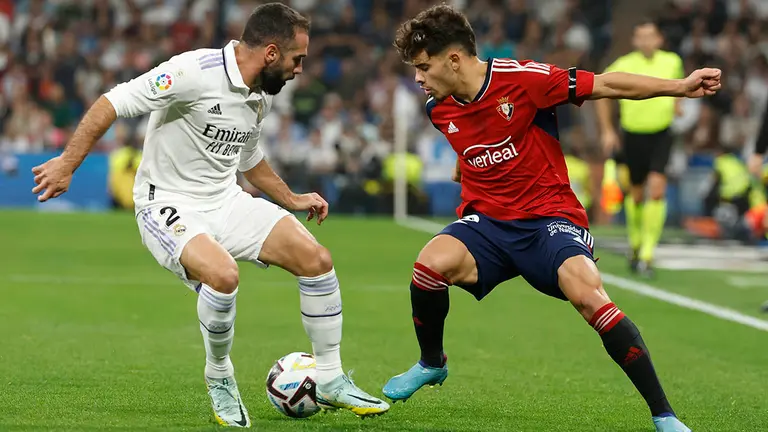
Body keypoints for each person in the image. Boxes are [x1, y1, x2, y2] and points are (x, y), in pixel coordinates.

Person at [30, 3, 389, 426]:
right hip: (166, 202)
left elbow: (248, 159)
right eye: (298, 59)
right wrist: (68, 163)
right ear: (271, 53)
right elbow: (113, 101)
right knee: (223, 276)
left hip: (225, 200)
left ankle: (329, 378)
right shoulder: (192, 72)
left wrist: (290, 198)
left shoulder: (260, 95)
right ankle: (219, 375)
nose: (299, 69)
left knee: (318, 261)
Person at [382, 5, 721, 432]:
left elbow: (607, 84)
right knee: (429, 265)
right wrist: (464, 165)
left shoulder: (524, 78)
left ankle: (664, 414)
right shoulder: (439, 109)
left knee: (588, 295)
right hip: (489, 224)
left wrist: (680, 87)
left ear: (453, 59)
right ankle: (432, 363)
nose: (418, 78)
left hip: (549, 218)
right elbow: (469, 144)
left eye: (423, 67)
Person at [596, 19, 685, 278]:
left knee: (656, 190)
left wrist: (678, 104)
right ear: (635, 41)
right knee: (635, 194)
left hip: (661, 134)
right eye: (641, 36)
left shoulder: (672, 61)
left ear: (659, 39)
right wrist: (607, 130)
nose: (646, 41)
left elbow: (678, 86)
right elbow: (599, 90)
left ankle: (647, 253)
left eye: (650, 36)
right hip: (633, 135)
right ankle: (635, 243)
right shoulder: (624, 65)